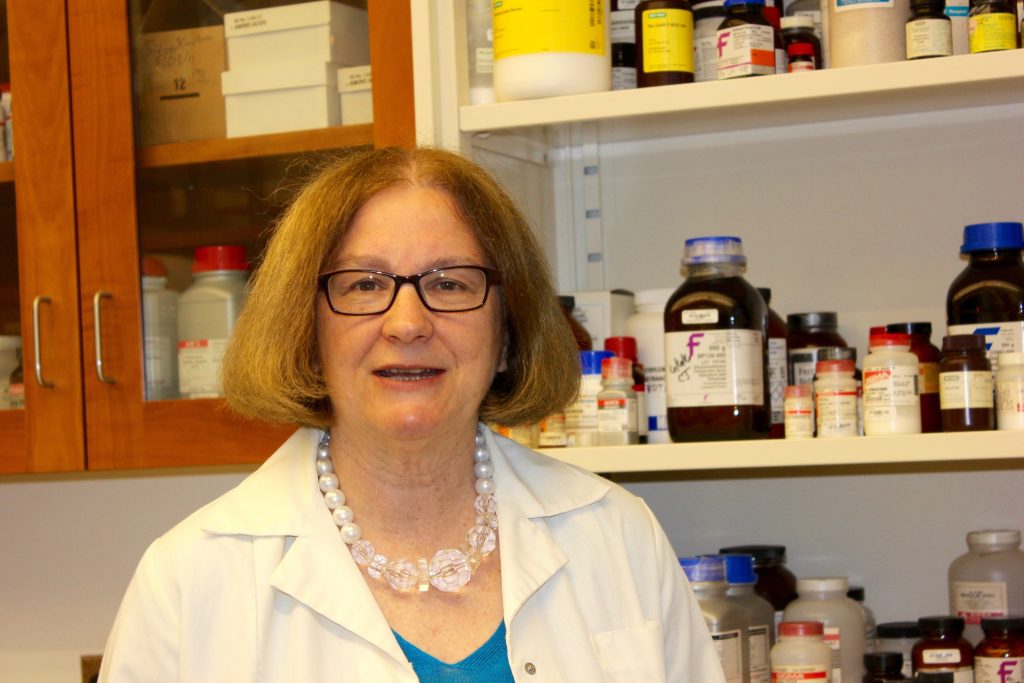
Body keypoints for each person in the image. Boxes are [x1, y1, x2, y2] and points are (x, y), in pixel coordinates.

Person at [99, 147, 725, 682]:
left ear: (508, 328)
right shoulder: (190, 579)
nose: (407, 324)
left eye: (451, 283)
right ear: (306, 330)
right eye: (363, 285)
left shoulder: (617, 536)